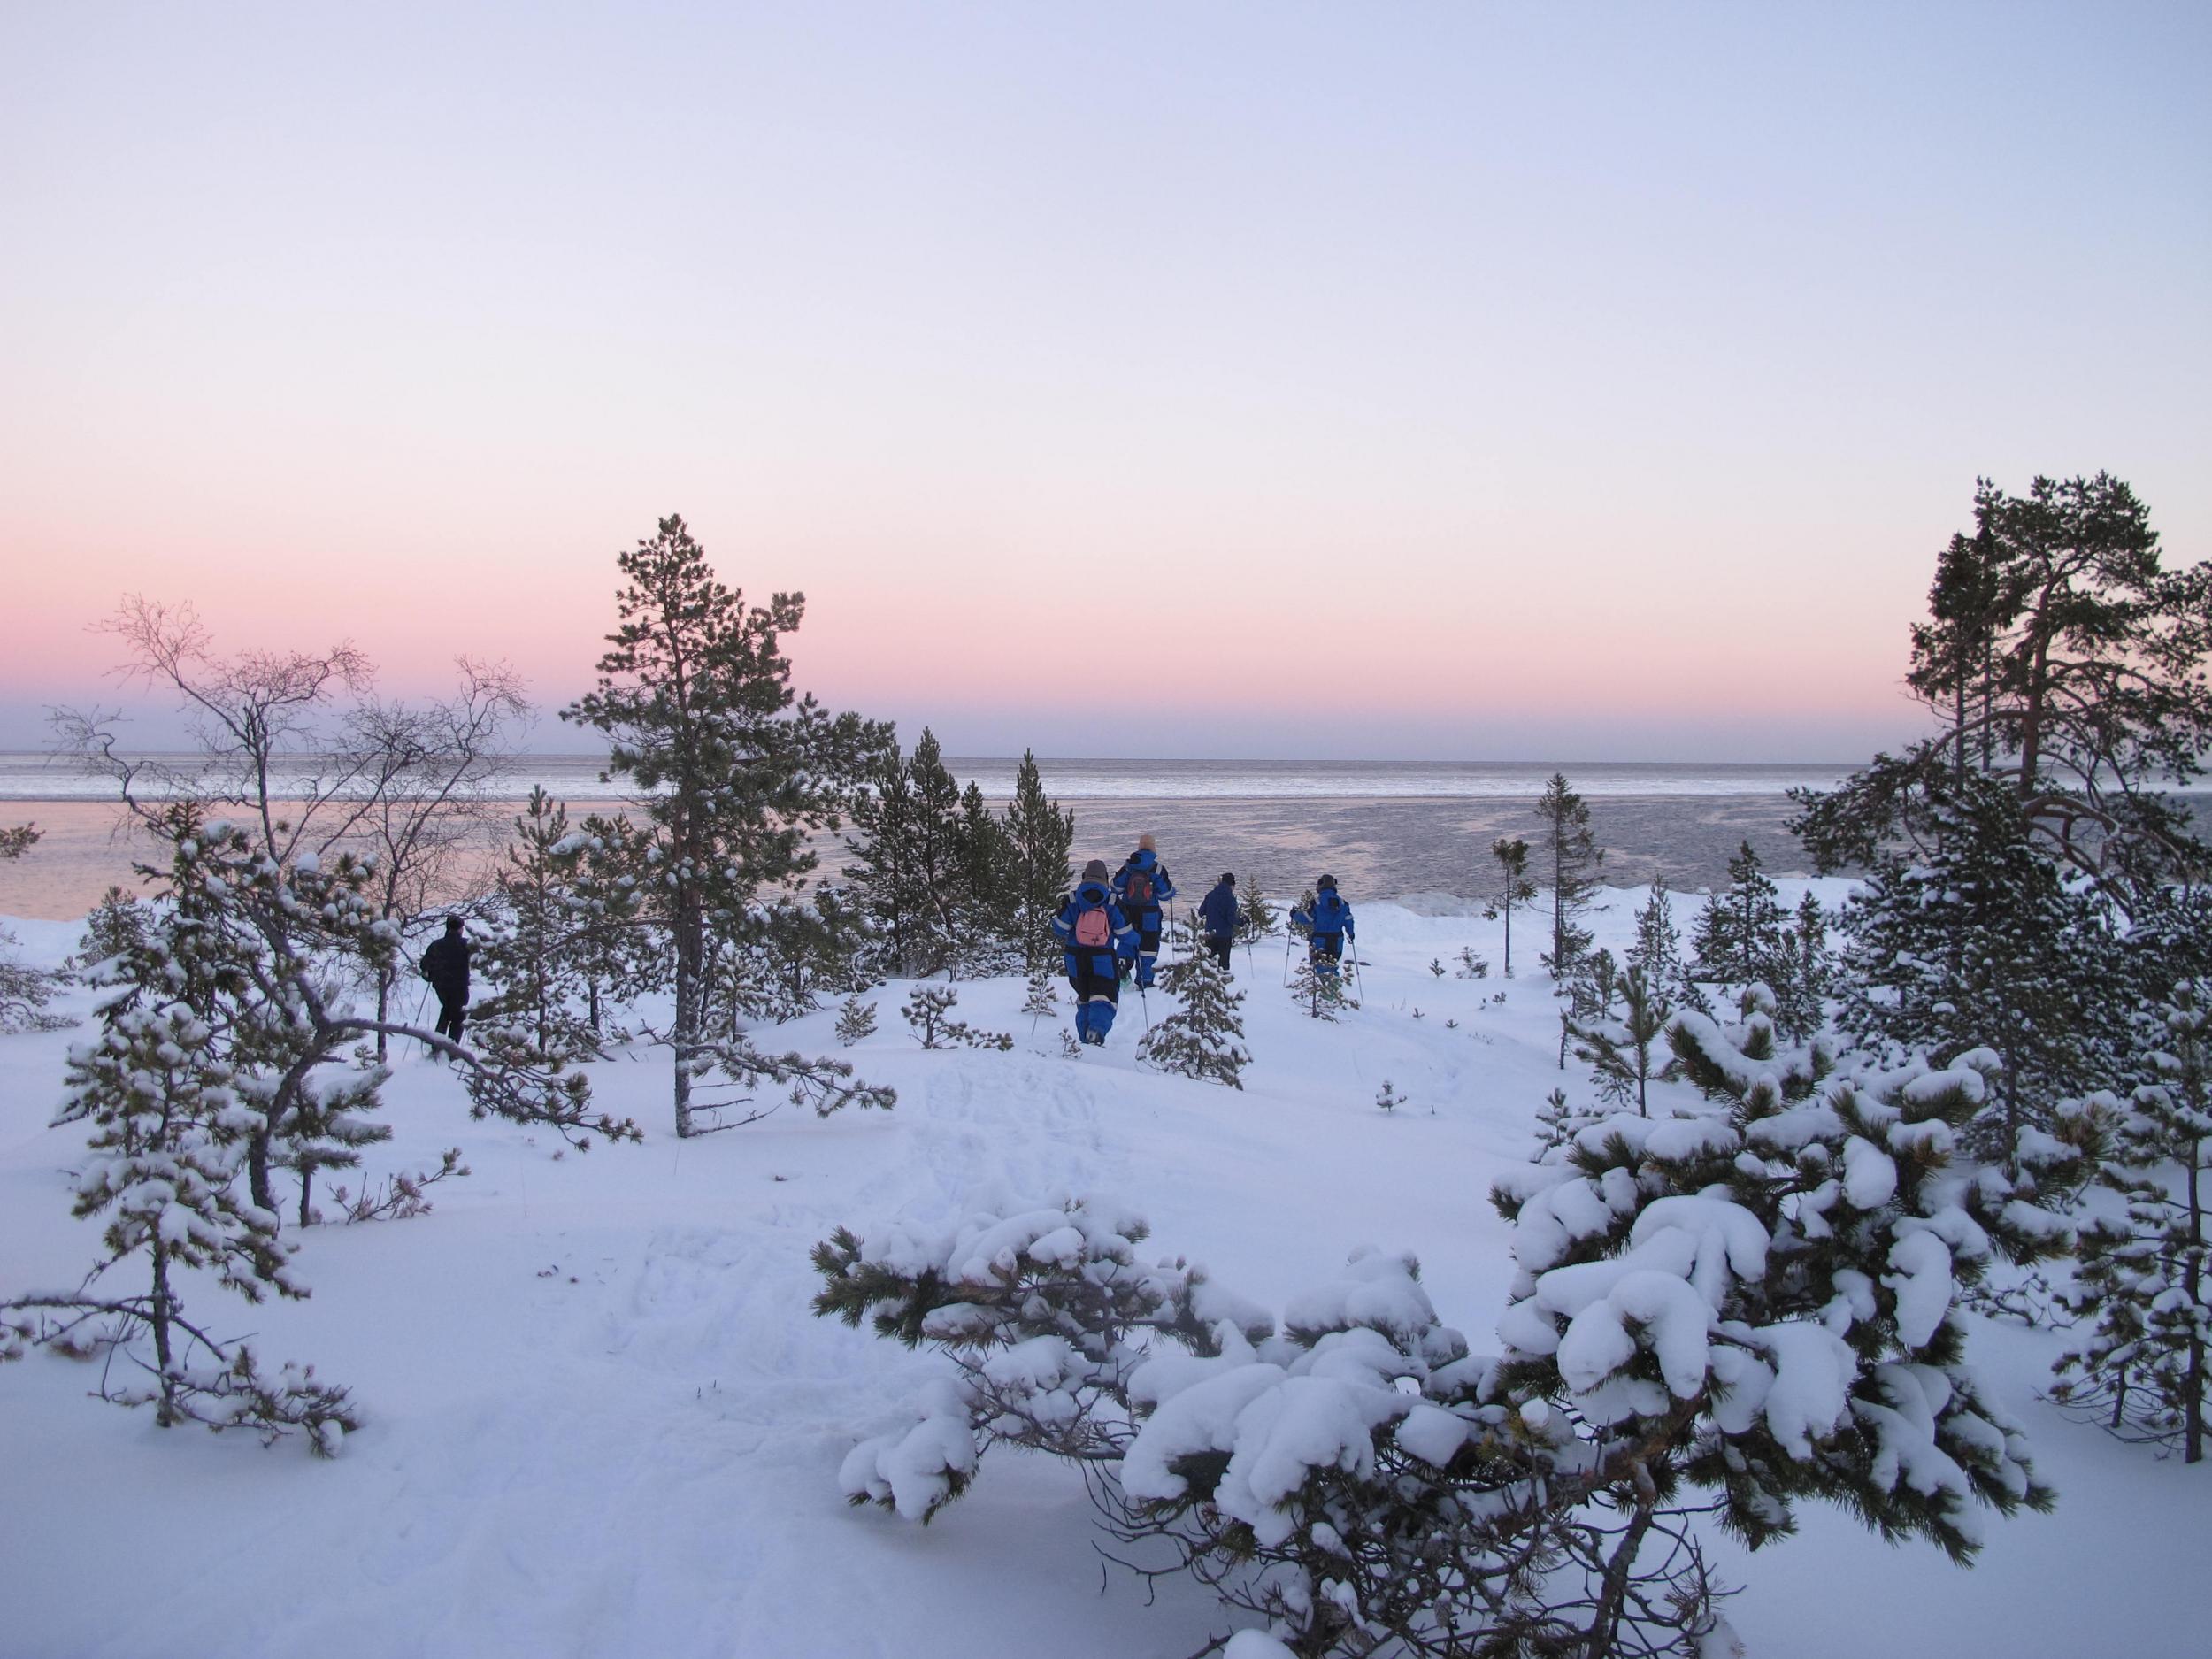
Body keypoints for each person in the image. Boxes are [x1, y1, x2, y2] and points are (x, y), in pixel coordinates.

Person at [1052, 859, 1138, 1045]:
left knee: (1084, 998)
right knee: (1105, 997)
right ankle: (1096, 1031)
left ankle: (1084, 1038)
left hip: (1075, 957)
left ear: (1084, 877)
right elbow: (1125, 934)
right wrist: (1137, 940)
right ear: (1105, 879)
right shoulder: (1112, 901)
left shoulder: (1073, 899)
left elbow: (1060, 928)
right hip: (1102, 957)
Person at [1111, 833, 1177, 989]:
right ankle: (1145, 980)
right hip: (1150, 913)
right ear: (1153, 849)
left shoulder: (1128, 866)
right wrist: (1172, 891)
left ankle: (1123, 960)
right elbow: (1164, 894)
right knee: (1148, 944)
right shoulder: (1158, 869)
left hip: (1128, 910)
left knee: (1127, 938)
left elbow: (1115, 887)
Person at [419, 915, 472, 1051]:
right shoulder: (466, 944)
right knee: (458, 1015)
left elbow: (425, 965)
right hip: (460, 986)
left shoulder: (436, 945)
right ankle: (452, 1048)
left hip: (441, 986)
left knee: (447, 1011)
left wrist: (430, 977)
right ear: (461, 928)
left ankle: (437, 1046)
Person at [1289, 874, 1355, 982]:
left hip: (1320, 939)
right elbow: (1348, 920)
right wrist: (1351, 933)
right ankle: (1334, 989)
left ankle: (1322, 992)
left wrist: (1294, 915)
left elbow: (1308, 919)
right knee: (1332, 964)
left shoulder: (1317, 902)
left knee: (1319, 966)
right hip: (1337, 940)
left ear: (1321, 885)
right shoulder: (1343, 903)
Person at [1196, 872, 1239, 971]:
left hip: (1210, 934)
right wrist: (1241, 921)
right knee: (1223, 963)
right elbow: (1231, 919)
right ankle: (1223, 982)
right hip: (1224, 935)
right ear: (1231, 885)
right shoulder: (1231, 899)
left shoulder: (1210, 895)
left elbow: (1201, 912)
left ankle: (1208, 983)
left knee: (1210, 963)